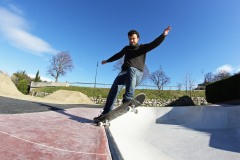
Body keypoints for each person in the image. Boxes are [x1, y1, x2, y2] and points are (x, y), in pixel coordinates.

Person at [94, 25, 171, 121]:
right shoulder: (126, 48)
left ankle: (128, 100)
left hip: (136, 74)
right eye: (130, 39)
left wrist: (163, 35)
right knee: (114, 88)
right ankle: (106, 113)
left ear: (138, 38)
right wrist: (108, 60)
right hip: (124, 73)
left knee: (132, 69)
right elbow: (118, 55)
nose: (132, 41)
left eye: (133, 39)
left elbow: (154, 44)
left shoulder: (143, 48)